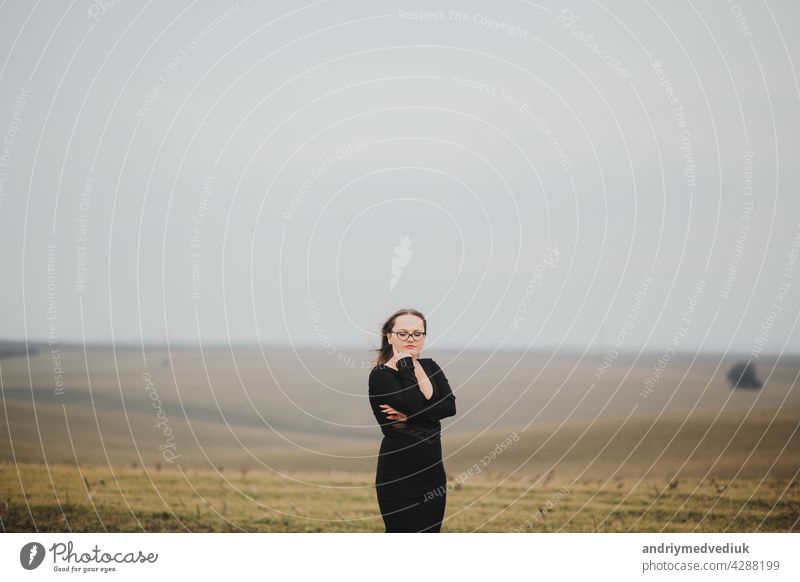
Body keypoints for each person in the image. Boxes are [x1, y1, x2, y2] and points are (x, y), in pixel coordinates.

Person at [368, 308, 457, 532]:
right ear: (390, 337)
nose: (411, 339)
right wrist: (406, 365)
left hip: (433, 475)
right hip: (398, 477)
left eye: (418, 333)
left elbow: (450, 406)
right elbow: (415, 404)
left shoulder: (431, 366)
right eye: (403, 333)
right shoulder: (381, 375)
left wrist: (410, 417)